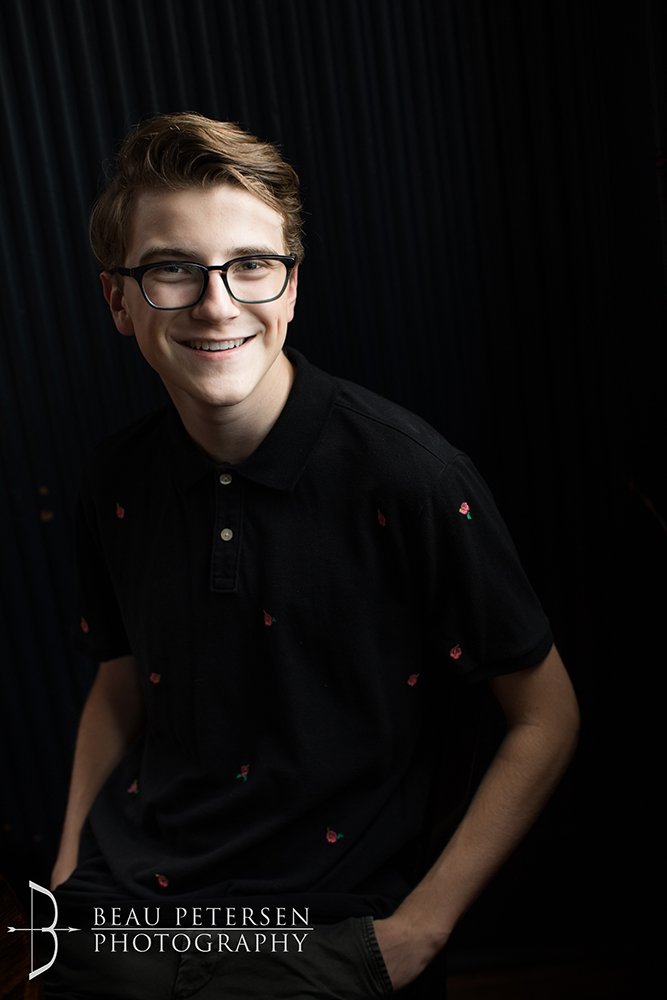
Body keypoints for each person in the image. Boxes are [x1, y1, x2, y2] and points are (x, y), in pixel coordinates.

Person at [46, 112, 579, 999]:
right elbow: (121, 680)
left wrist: (419, 931)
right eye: (173, 268)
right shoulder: (117, 480)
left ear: (291, 287)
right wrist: (67, 876)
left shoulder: (408, 475)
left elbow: (546, 715)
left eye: (251, 265)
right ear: (118, 302)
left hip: (331, 919)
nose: (217, 303)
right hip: (130, 900)